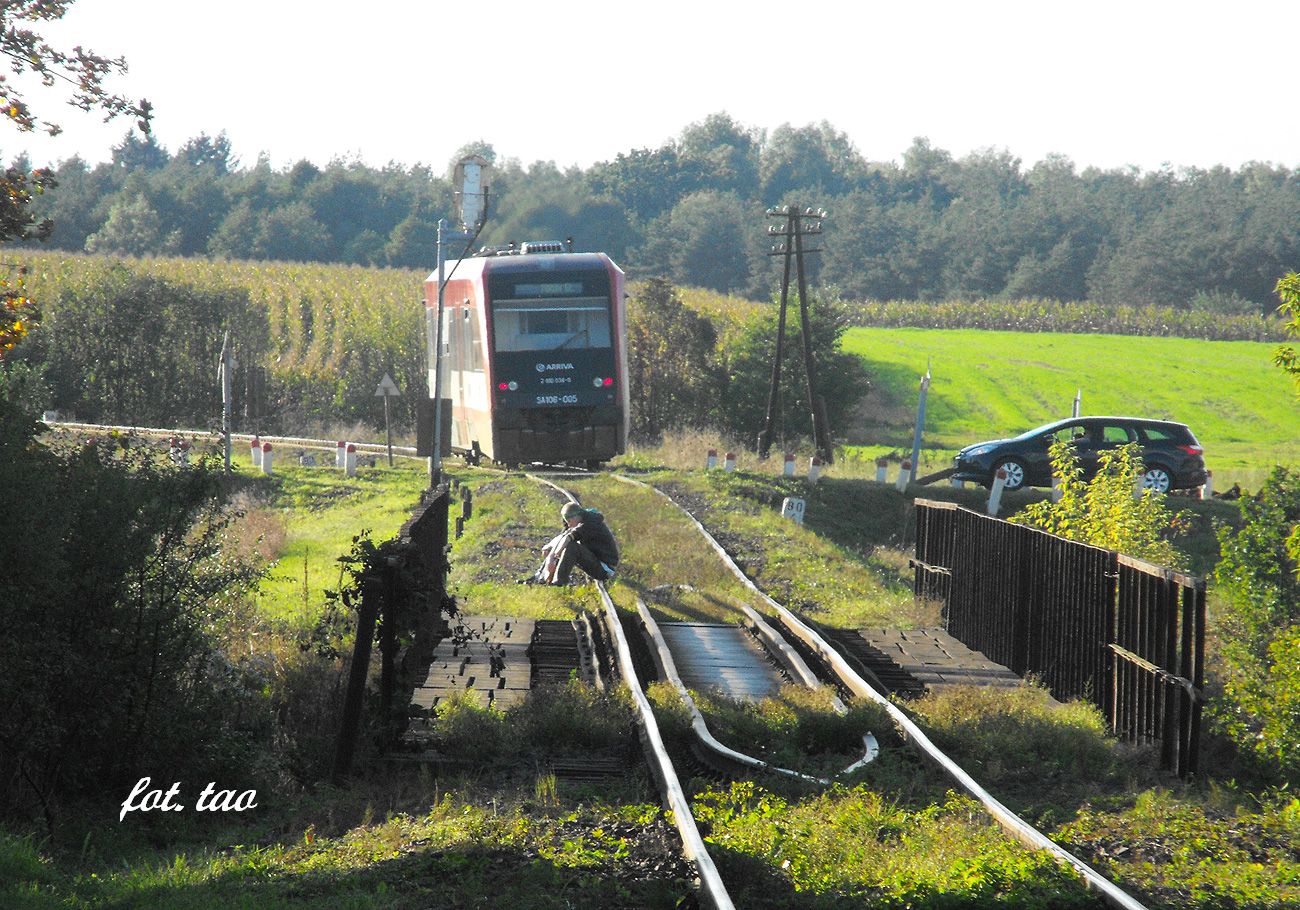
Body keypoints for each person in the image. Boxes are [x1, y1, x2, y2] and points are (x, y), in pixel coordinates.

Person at [528, 501, 619, 585]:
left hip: (605, 568)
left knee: (571, 547)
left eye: (569, 521)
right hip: (596, 561)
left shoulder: (590, 524)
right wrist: (549, 547)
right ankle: (539, 578)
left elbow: (568, 538)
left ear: (575, 517)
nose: (569, 525)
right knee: (560, 546)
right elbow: (563, 536)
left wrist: (555, 556)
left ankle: (559, 582)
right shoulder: (580, 520)